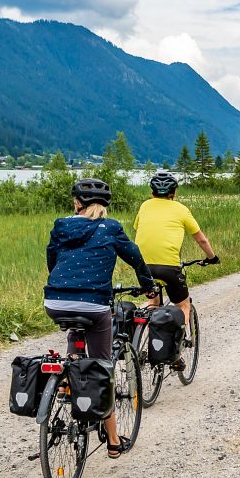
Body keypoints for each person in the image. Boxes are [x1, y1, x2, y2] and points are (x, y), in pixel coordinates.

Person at [44, 179, 157, 459]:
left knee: (75, 332)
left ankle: (67, 380)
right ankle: (114, 441)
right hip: (94, 305)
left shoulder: (61, 225)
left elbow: (52, 259)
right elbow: (135, 257)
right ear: (105, 205)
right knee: (102, 368)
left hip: (55, 301)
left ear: (76, 203)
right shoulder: (111, 228)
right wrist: (147, 285)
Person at [133, 171, 219, 370]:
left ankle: (141, 339)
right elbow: (201, 239)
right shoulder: (180, 209)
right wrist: (212, 258)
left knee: (153, 302)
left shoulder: (144, 206)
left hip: (143, 267)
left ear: (152, 192)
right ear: (173, 192)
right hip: (169, 267)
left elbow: (141, 231)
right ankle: (175, 352)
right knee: (184, 305)